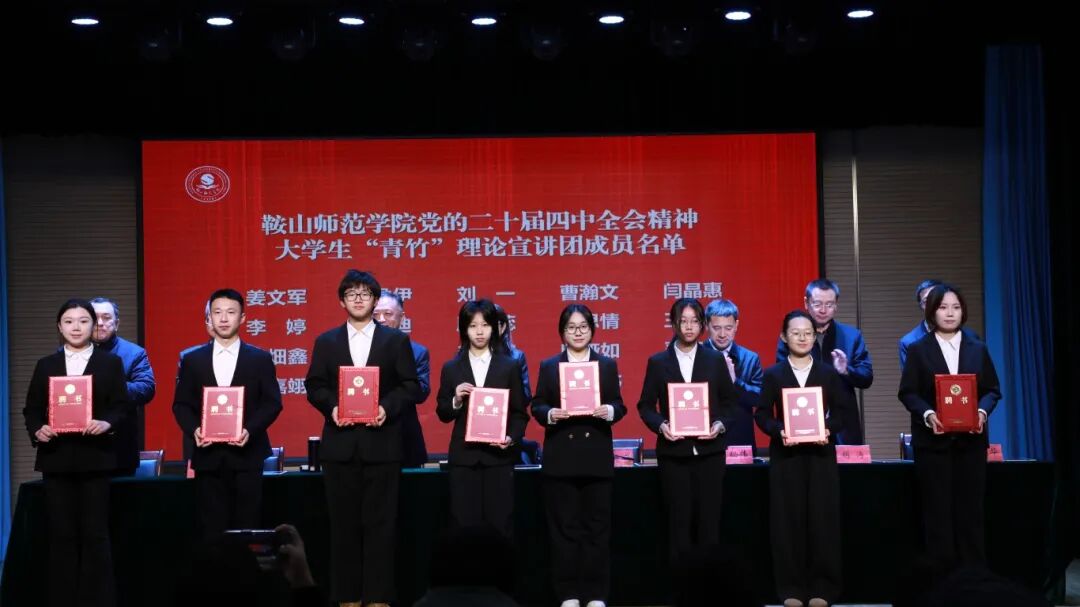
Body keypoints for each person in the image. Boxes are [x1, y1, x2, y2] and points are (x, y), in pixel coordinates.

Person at [304, 269, 421, 607]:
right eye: (351, 293)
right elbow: (314, 385)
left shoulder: (395, 341)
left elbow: (410, 386)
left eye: (365, 293)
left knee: (381, 527)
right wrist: (333, 407)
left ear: (375, 300)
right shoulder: (326, 342)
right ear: (342, 301)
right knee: (343, 528)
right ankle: (347, 599)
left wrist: (386, 408)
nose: (358, 299)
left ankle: (378, 598)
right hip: (340, 447)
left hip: (382, 445)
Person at [23, 299, 129, 607]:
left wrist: (107, 422)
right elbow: (32, 410)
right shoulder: (46, 365)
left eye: (83, 321)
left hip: (96, 459)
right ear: (59, 326)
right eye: (69, 321)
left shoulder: (110, 363)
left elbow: (121, 406)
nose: (76, 327)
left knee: (96, 535)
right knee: (61, 536)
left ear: (94, 326)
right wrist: (38, 429)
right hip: (57, 459)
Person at [898, 284, 1001, 569]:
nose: (950, 313)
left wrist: (981, 412)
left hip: (971, 444)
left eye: (955, 307)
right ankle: (942, 580)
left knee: (971, 514)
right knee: (937, 514)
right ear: (931, 312)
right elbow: (908, 392)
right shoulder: (918, 350)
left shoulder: (978, 348)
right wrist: (929, 414)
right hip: (933, 446)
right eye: (943, 307)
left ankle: (974, 578)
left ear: (963, 311)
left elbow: (992, 390)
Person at [530, 304, 626, 607]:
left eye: (583, 326)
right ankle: (568, 594)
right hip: (561, 458)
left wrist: (609, 410)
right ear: (562, 333)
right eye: (571, 327)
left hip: (595, 458)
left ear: (592, 330)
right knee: (564, 531)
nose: (578, 332)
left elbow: (619, 405)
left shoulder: (606, 365)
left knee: (597, 530)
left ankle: (596, 594)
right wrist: (550, 413)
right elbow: (537, 405)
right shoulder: (549, 366)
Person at [755, 310, 851, 607]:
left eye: (808, 333)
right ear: (784, 337)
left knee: (823, 521)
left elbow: (843, 412)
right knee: (787, 523)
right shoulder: (773, 374)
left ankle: (824, 587)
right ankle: (791, 589)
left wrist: (828, 430)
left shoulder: (827, 373)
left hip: (821, 456)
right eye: (795, 333)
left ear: (815, 335)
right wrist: (779, 430)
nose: (802, 338)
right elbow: (761, 414)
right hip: (786, 457)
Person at [172, 289, 283, 538]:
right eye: (217, 313)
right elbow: (181, 405)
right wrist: (194, 430)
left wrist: (250, 430)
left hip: (248, 457)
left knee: (248, 527)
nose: (223, 319)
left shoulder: (260, 358)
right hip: (208, 458)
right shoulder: (192, 360)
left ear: (242, 318)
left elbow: (272, 403)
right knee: (211, 531)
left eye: (231, 313)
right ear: (209, 318)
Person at [637, 298, 738, 565]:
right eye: (683, 321)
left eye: (695, 321)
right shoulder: (658, 362)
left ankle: (709, 584)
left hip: (710, 454)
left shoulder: (715, 360)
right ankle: (681, 585)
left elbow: (730, 404)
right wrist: (662, 426)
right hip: (674, 455)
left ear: (703, 325)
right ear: (673, 324)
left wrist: (719, 425)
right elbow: (645, 406)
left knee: (709, 526)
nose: (689, 327)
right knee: (678, 526)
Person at [436, 299, 529, 539]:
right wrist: (456, 400)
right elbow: (442, 412)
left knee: (501, 525)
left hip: (498, 459)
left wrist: (511, 438)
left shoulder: (509, 366)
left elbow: (520, 413)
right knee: (463, 526)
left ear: (495, 328)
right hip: (464, 458)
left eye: (485, 325)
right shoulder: (451, 368)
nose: (479, 331)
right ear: (463, 329)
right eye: (473, 325)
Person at [775, 279, 872, 444]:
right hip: (802, 420)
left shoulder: (852, 336)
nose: (823, 310)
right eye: (817, 304)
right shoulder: (792, 336)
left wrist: (846, 370)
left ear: (836, 305)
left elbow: (866, 378)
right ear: (806, 303)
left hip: (843, 427)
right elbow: (781, 377)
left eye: (829, 304)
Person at [88, 297, 156, 476]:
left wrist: (110, 387)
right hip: (79, 450)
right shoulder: (68, 354)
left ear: (116, 324)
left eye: (106, 318)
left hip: (119, 448)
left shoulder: (134, 353)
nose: (100, 323)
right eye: (94, 318)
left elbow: (146, 388)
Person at [373, 291, 431, 467]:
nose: (381, 319)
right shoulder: (359, 348)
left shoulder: (417, 352)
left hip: (403, 434)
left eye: (388, 314)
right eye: (375, 314)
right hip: (368, 434)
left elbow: (421, 393)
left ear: (402, 317)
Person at [702, 298, 764, 448]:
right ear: (706, 325)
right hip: (704, 438)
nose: (722, 334)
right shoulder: (696, 356)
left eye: (728, 328)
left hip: (739, 439)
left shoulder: (750, 358)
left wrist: (735, 382)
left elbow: (759, 398)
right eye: (716, 328)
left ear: (736, 325)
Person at [495, 303, 532, 401]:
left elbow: (526, 396)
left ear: (503, 327)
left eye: (493, 324)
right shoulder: (467, 357)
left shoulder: (516, 357)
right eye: (485, 324)